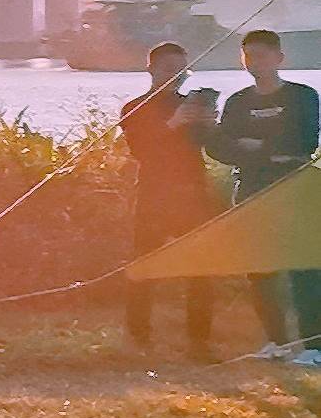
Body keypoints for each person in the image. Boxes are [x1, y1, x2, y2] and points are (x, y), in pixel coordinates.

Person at [206, 27, 320, 350]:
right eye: (248, 57)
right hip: (250, 189)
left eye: (262, 56)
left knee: (304, 267)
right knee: (259, 268)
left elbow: (303, 142)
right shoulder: (238, 101)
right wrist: (262, 148)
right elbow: (221, 149)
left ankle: (313, 346)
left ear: (279, 58)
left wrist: (254, 145)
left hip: (293, 187)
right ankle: (276, 340)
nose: (255, 63)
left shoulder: (302, 96)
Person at [117, 42, 219, 358]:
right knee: (144, 266)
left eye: (181, 69)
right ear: (151, 69)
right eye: (169, 68)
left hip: (192, 193)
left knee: (202, 269)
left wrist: (210, 124)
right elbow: (141, 150)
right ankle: (139, 335)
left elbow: (212, 148)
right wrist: (173, 123)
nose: (176, 75)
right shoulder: (135, 107)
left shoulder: (191, 104)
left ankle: (199, 340)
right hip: (153, 194)